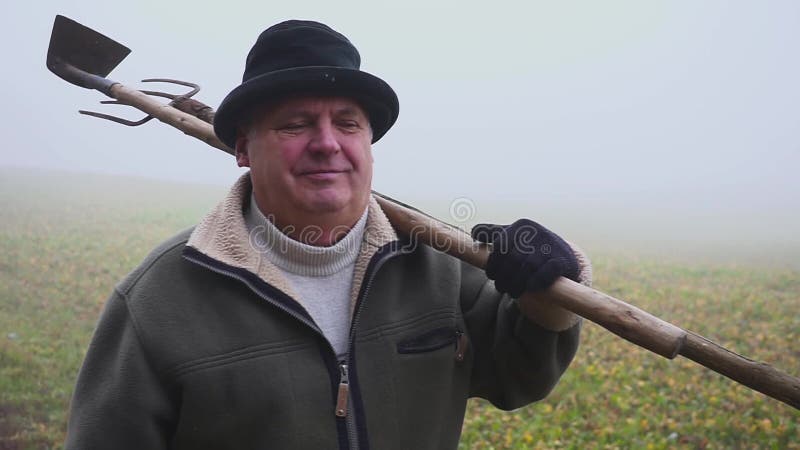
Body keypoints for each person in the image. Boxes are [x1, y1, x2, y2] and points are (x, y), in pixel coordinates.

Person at [65, 20, 592, 450]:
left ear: (368, 142)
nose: (326, 144)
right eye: (294, 124)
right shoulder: (158, 301)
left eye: (347, 123)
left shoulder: (440, 268)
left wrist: (547, 297)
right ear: (243, 150)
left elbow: (517, 375)